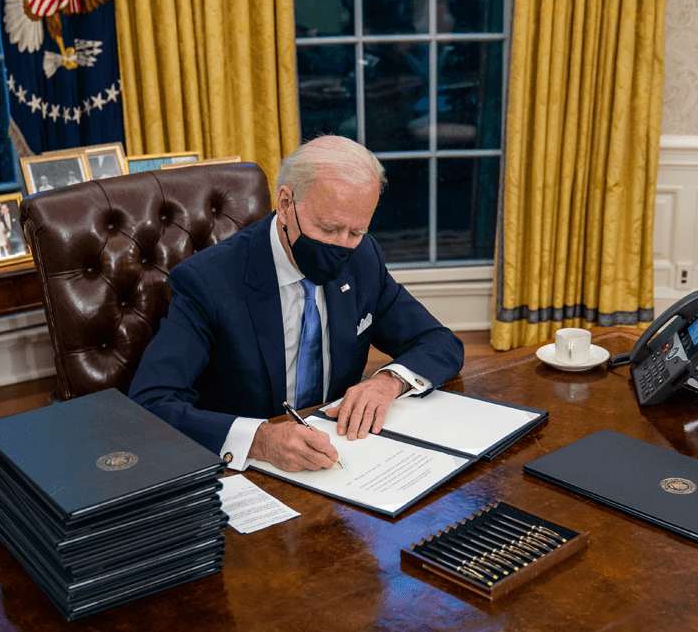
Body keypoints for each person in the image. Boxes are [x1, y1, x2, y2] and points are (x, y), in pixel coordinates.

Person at [129, 135, 464, 472]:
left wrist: (388, 381)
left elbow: (440, 342)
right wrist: (259, 440)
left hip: (342, 457)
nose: (343, 246)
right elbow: (151, 404)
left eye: (356, 232)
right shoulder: (208, 281)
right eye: (328, 228)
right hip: (251, 470)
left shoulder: (364, 259)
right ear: (286, 204)